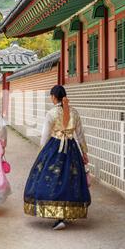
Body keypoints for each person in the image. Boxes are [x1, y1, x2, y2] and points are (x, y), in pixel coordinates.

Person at [23, 85, 91, 230]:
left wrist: (42, 152)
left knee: (51, 178)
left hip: (55, 147)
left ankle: (57, 214)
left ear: (54, 97)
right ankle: (64, 213)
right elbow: (80, 134)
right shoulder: (74, 112)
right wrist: (84, 152)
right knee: (69, 179)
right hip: (72, 149)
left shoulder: (52, 113)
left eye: (51, 96)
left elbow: (45, 135)